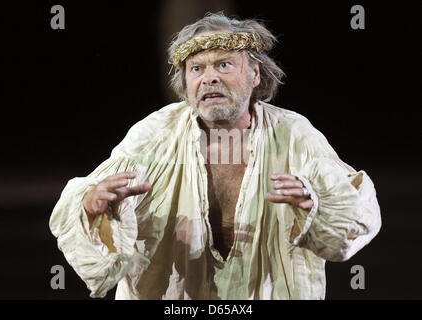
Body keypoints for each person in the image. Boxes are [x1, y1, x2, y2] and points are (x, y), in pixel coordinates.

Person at [49, 12, 381, 300]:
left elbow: (359, 213)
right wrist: (91, 206)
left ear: (255, 74)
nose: (209, 77)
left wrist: (321, 205)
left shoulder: (295, 135)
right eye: (196, 68)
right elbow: (81, 205)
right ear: (186, 82)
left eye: (224, 64)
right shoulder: (154, 134)